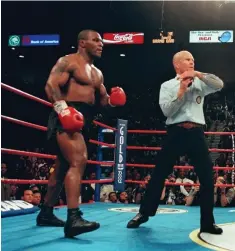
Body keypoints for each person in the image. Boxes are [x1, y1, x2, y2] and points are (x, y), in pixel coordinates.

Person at [36, 29, 126, 238]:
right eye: (96, 40)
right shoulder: (68, 62)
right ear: (82, 43)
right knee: (79, 161)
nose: (101, 44)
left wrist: (114, 101)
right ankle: (73, 218)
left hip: (85, 120)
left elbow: (103, 102)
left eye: (102, 41)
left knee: (61, 169)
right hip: (67, 115)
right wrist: (63, 110)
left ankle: (46, 213)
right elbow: (51, 86)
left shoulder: (97, 73)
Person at [126, 50, 223, 235]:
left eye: (193, 59)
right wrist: (181, 91)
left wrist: (198, 75)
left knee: (207, 178)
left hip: (196, 132)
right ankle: (143, 213)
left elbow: (219, 84)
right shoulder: (167, 86)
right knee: (158, 174)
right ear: (177, 65)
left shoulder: (201, 83)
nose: (192, 62)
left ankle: (208, 223)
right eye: (188, 59)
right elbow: (167, 112)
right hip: (175, 132)